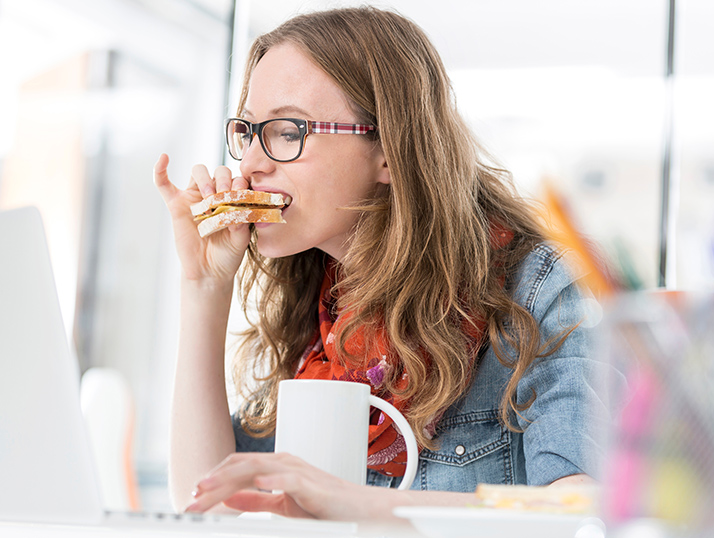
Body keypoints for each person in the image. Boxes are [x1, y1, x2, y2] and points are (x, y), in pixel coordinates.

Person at [153, 6, 611, 521]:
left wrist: (355, 504)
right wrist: (203, 292)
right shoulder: (320, 308)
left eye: (287, 131)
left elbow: (582, 509)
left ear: (389, 150)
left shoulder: (536, 289)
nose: (252, 163)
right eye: (248, 131)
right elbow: (207, 506)